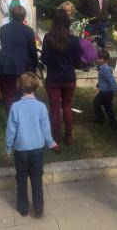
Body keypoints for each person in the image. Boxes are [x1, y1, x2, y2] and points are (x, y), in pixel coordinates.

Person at [5, 72, 59, 218]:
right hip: (37, 151)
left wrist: (8, 148)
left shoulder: (15, 107)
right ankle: (39, 207)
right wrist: (52, 143)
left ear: (20, 87)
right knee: (36, 179)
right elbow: (46, 129)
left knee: (21, 179)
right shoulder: (41, 107)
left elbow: (11, 130)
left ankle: (23, 207)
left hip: (20, 151)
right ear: (36, 87)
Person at [41, 9, 81, 144]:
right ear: (68, 22)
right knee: (67, 106)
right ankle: (69, 136)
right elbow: (78, 62)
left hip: (53, 79)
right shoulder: (74, 40)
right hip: (69, 78)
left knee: (54, 109)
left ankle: (56, 137)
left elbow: (44, 59)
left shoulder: (48, 37)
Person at [0, 5, 38, 114]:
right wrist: (34, 66)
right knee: (23, 93)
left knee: (9, 95)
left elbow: (4, 44)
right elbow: (32, 50)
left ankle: (11, 120)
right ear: (24, 17)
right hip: (22, 66)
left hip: (6, 64)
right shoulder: (28, 30)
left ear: (12, 16)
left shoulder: (3, 29)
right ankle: (22, 117)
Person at [93, 49, 117, 131]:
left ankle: (101, 119)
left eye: (99, 58)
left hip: (105, 92)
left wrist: (116, 89)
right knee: (108, 107)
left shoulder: (104, 69)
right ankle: (113, 123)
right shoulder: (103, 67)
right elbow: (105, 79)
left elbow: (111, 80)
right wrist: (99, 84)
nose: (97, 60)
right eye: (97, 58)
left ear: (105, 60)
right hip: (108, 92)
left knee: (96, 103)